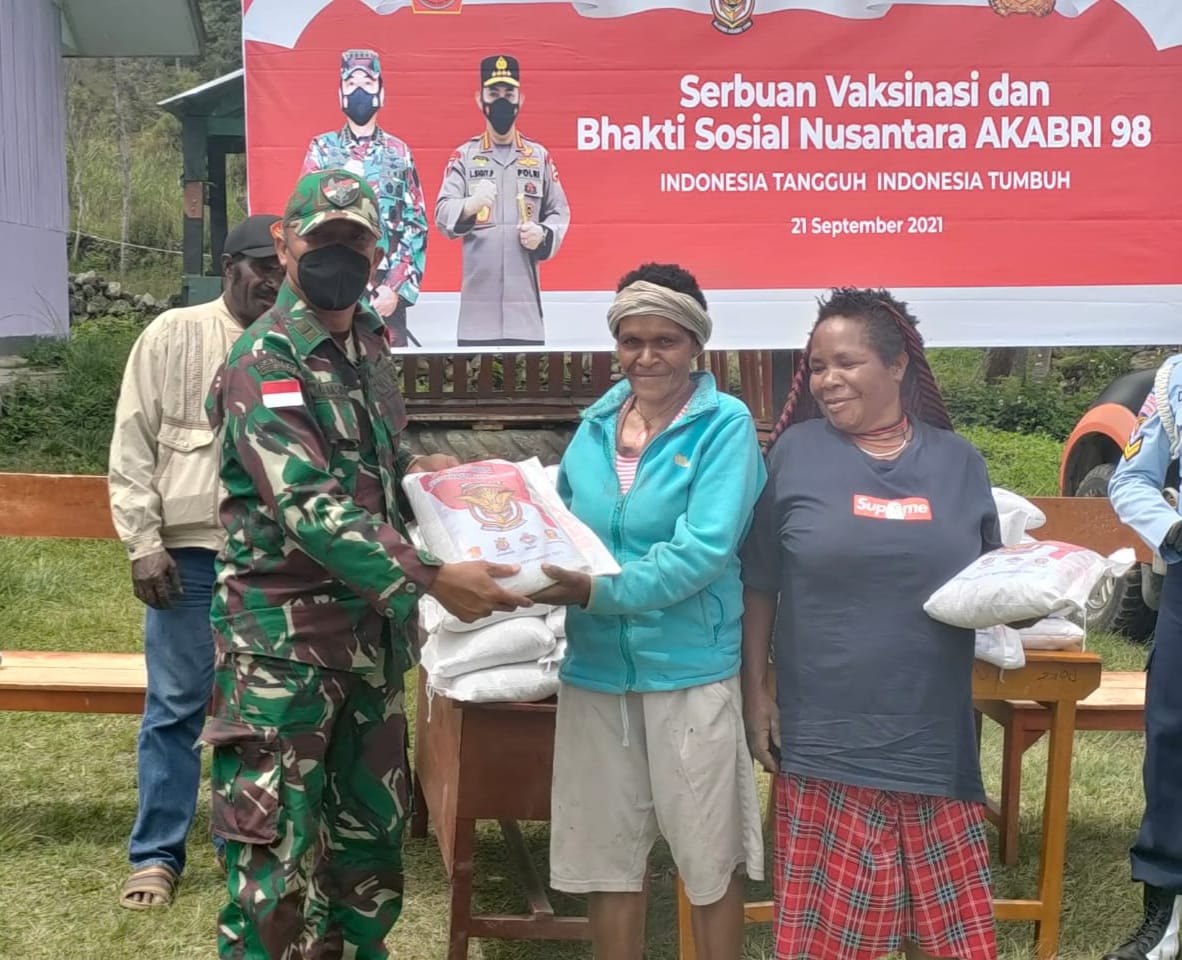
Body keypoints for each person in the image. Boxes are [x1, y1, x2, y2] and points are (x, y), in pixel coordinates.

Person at [202, 168, 533, 960]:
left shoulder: (368, 344)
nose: (340, 256)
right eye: (323, 240)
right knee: (274, 872)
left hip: (368, 646)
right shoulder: (265, 359)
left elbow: (369, 461)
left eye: (356, 241)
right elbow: (307, 503)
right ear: (286, 244)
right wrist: (430, 578)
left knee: (368, 859)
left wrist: (422, 476)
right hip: (282, 653)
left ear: (378, 252)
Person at [740, 288, 1001, 960]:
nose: (827, 379)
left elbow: (991, 585)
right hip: (825, 734)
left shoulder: (959, 463)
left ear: (897, 366)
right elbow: (760, 581)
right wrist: (756, 691)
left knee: (946, 942)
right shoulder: (794, 453)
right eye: (817, 366)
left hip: (931, 735)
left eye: (846, 363)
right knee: (829, 943)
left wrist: (1037, 594)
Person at [530, 263, 766, 960]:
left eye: (665, 340)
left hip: (689, 669)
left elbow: (703, 552)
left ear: (696, 343)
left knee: (709, 859)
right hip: (597, 670)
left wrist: (596, 592)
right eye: (631, 340)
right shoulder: (596, 424)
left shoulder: (725, 427)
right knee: (607, 860)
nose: (646, 356)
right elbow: (561, 527)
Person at [108, 213, 283, 909]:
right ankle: (156, 855)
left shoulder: (294, 342)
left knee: (255, 709)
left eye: (283, 268)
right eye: (261, 267)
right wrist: (143, 544)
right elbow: (132, 444)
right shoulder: (172, 333)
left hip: (268, 560)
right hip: (187, 557)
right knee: (176, 706)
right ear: (228, 265)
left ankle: (242, 844)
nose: (273, 280)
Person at [1105, 356, 1182, 960]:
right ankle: (1165, 917)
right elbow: (1130, 479)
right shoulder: (1174, 381)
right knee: (1173, 737)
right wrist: (1172, 530)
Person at [434, 54, 570, 347]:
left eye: (509, 94)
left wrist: (543, 234)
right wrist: (469, 206)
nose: (502, 102)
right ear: (479, 99)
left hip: (525, 314)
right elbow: (442, 213)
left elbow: (559, 212)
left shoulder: (538, 156)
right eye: (493, 94)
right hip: (476, 317)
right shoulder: (464, 156)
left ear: (521, 99)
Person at [302, 49, 428, 347]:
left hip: (385, 297)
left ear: (380, 92)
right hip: (333, 292)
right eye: (351, 83)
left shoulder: (399, 152)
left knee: (387, 368)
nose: (359, 90)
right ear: (341, 93)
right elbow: (306, 219)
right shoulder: (322, 149)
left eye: (367, 83)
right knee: (332, 365)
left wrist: (394, 289)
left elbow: (416, 225)